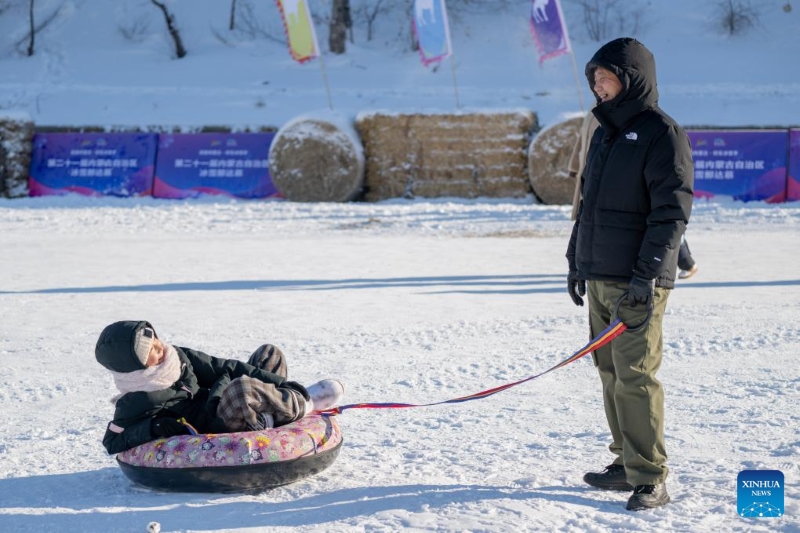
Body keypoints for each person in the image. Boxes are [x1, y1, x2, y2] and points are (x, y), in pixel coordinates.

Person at [565, 38, 694, 511]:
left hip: (637, 280)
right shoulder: (603, 131)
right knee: (609, 372)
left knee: (636, 376)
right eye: (594, 79)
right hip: (600, 273)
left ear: (631, 78)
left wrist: (648, 279)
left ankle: (650, 476)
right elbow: (588, 205)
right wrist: (576, 262)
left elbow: (670, 214)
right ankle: (625, 462)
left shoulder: (662, 133)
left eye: (606, 78)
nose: (598, 87)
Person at [95, 320, 344, 455]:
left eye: (154, 339)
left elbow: (224, 367)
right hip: (216, 424)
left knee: (269, 355)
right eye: (150, 353)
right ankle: (305, 404)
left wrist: (286, 385)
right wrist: (155, 426)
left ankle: (281, 405)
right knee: (242, 389)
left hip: (219, 401)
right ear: (134, 368)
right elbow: (112, 441)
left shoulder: (176, 357)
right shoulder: (135, 399)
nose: (161, 348)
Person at [566, 107, 599, 221]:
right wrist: (574, 165)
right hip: (584, 168)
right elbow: (581, 138)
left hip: (597, 170)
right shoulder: (594, 107)